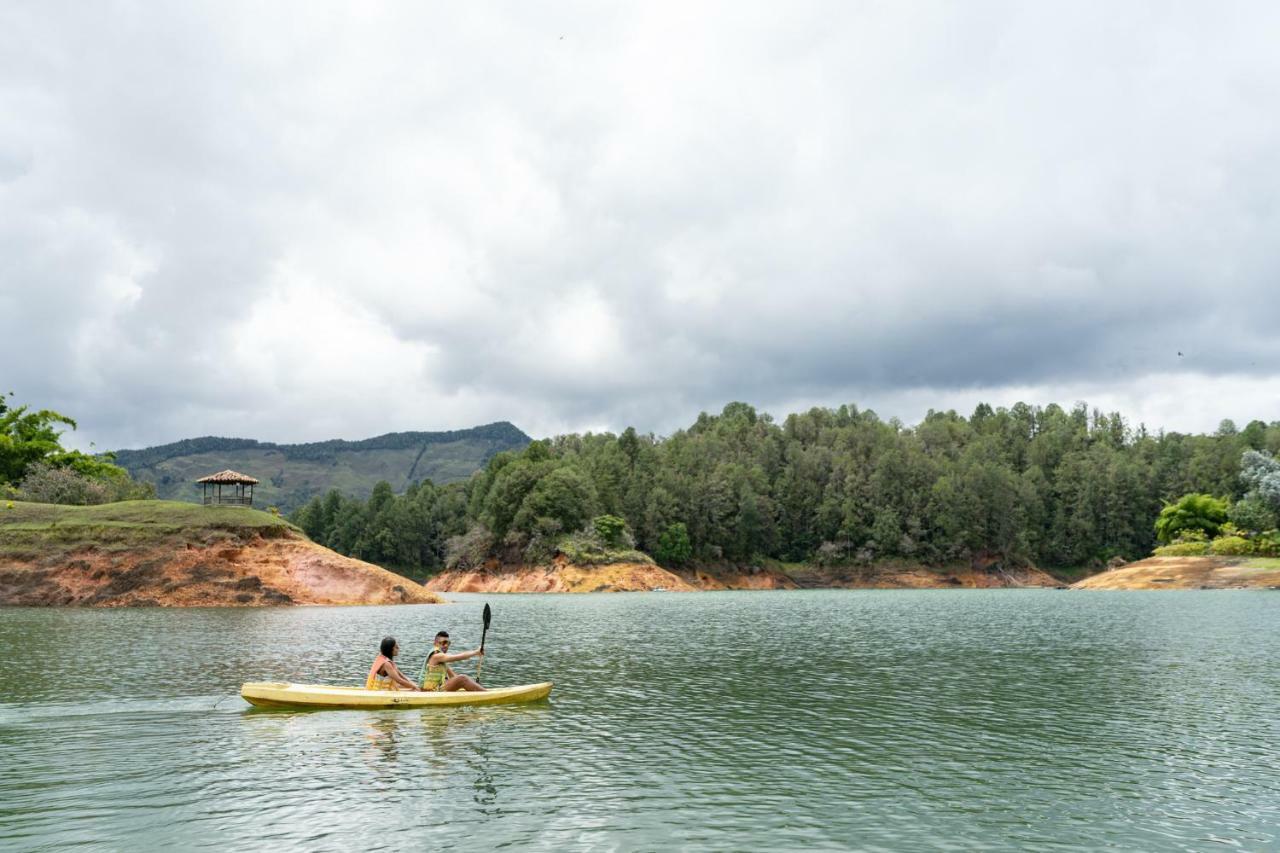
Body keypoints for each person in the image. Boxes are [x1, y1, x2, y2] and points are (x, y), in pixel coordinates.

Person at [420, 631, 486, 692]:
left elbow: (453, 677)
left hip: (436, 689)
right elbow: (458, 657)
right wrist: (476, 652)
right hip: (430, 692)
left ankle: (483, 692)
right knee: (463, 678)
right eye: (443, 642)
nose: (446, 645)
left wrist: (473, 684)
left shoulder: (442, 661)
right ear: (435, 644)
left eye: (448, 643)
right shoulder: (436, 656)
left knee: (462, 679)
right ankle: (486, 694)